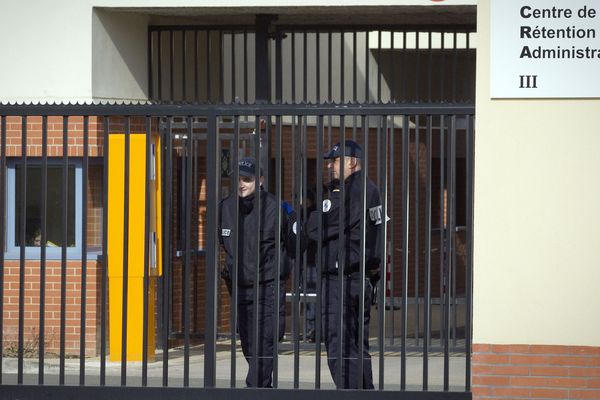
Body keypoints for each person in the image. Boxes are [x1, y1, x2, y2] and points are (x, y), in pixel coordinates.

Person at [306, 140, 383, 389]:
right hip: (358, 277)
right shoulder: (367, 189)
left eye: (335, 160)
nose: (330, 165)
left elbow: (320, 227)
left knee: (339, 343)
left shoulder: (353, 191)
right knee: (356, 345)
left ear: (352, 162)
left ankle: (349, 394)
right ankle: (364, 393)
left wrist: (311, 216)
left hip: (343, 279)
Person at [219, 156, 298, 388]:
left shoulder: (276, 208)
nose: (242, 184)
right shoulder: (225, 207)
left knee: (264, 344)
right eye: (239, 179)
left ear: (260, 180)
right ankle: (263, 388)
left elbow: (293, 245)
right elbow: (223, 243)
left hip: (268, 286)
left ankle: (254, 389)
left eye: (248, 179)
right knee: (249, 346)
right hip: (241, 289)